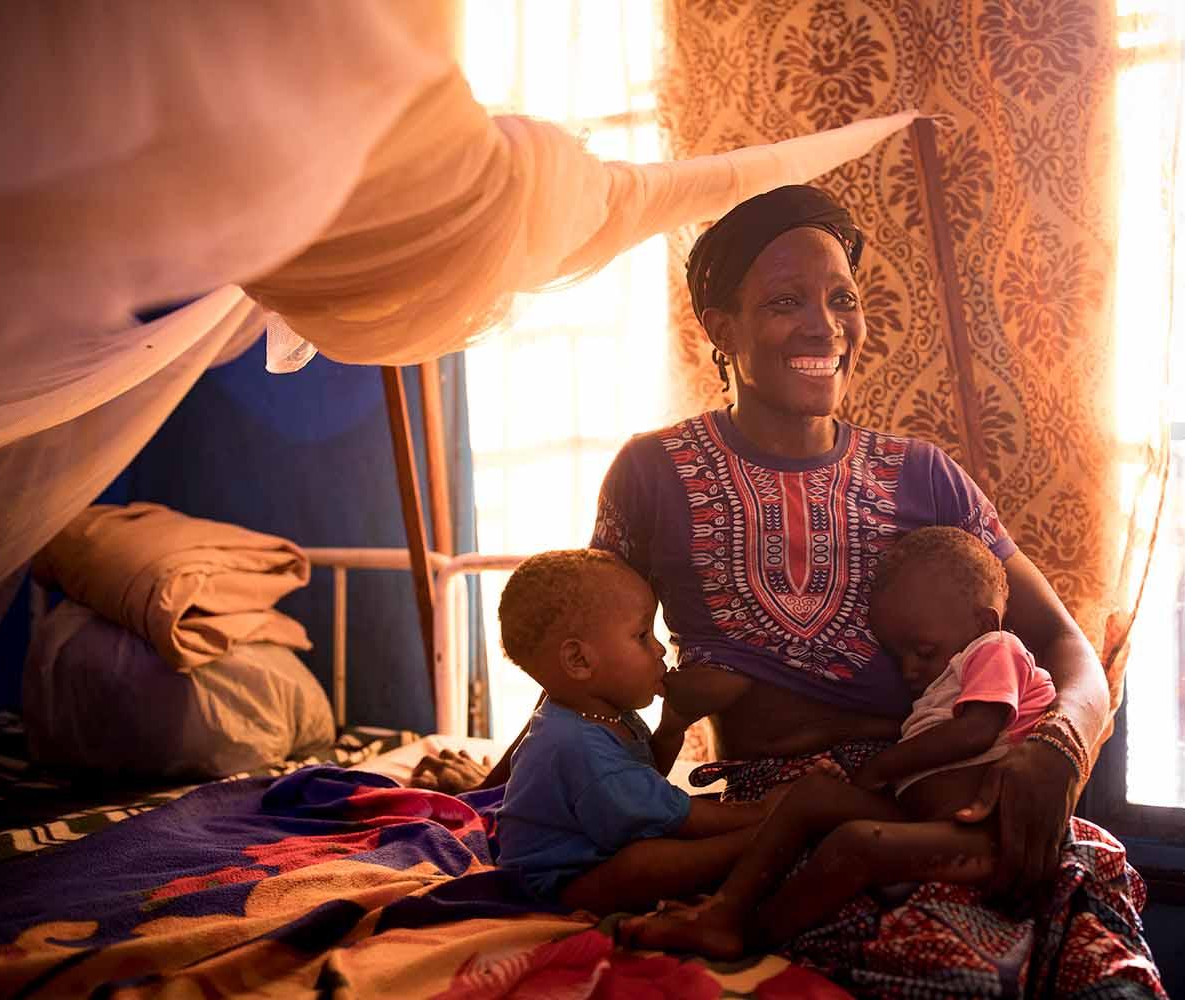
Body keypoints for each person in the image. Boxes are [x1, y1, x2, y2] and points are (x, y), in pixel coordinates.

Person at [414, 183, 1111, 904]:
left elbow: (1066, 647)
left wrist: (1059, 747)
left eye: (843, 299)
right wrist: (496, 794)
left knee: (1083, 930)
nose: (825, 327)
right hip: (763, 820)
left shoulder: (926, 476)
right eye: (786, 302)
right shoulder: (651, 474)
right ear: (723, 328)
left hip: (926, 785)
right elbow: (578, 653)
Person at [620, 525, 1078, 958]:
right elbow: (909, 730)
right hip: (926, 815)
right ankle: (724, 909)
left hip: (986, 837)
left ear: (982, 623)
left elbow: (976, 730)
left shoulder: (996, 648)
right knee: (814, 796)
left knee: (856, 843)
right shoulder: (948, 679)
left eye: (921, 651)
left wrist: (881, 768)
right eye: (898, 657)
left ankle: (757, 934)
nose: (910, 671)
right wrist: (825, 735)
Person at [493, 547, 805, 914]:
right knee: (644, 862)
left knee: (691, 821)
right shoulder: (576, 745)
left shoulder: (602, 713)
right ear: (579, 660)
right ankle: (768, 838)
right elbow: (670, 814)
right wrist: (759, 811)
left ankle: (763, 835)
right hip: (560, 884)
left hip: (598, 846)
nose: (659, 649)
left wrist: (671, 730)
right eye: (642, 635)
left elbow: (640, 787)